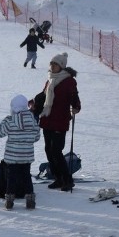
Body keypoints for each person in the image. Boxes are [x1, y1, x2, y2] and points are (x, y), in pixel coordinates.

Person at [30, 52, 81, 192]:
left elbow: (74, 96)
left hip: (60, 120)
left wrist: (76, 107)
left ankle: (67, 180)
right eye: (51, 64)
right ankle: (58, 178)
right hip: (47, 119)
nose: (52, 66)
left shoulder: (69, 81)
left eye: (56, 64)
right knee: (48, 149)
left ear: (62, 66)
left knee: (56, 150)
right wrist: (34, 103)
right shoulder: (50, 79)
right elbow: (43, 96)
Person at [0, 94, 41, 210]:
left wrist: (5, 121)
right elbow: (36, 137)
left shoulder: (10, 120)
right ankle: (30, 200)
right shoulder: (32, 119)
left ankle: (9, 201)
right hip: (27, 156)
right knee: (26, 176)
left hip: (12, 157)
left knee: (11, 177)